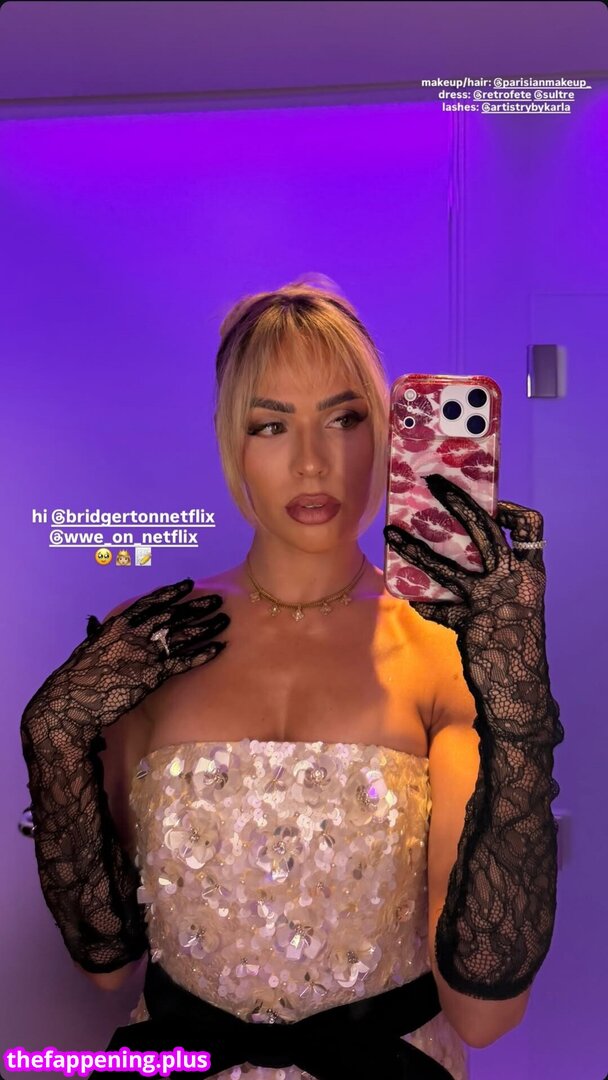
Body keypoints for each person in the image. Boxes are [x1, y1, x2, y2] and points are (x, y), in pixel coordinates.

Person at [20, 277, 564, 1080]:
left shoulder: (445, 652)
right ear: (231, 442)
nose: (312, 462)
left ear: (386, 432)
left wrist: (517, 715)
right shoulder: (151, 642)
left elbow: (483, 1016)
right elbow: (108, 968)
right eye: (271, 425)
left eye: (344, 419)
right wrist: (54, 737)